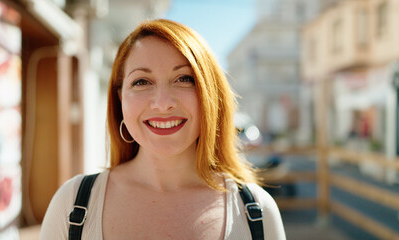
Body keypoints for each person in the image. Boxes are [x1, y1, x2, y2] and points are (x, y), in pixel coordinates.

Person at [40, 19, 285, 239]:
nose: (163, 102)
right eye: (141, 82)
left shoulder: (257, 212)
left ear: (211, 96)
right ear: (120, 99)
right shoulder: (72, 204)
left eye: (184, 79)